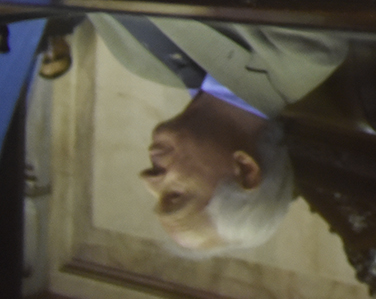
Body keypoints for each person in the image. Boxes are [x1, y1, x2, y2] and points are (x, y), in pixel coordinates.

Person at [92, 15, 349, 251]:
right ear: (245, 168)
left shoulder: (139, 61)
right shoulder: (305, 55)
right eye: (175, 196)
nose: (147, 179)